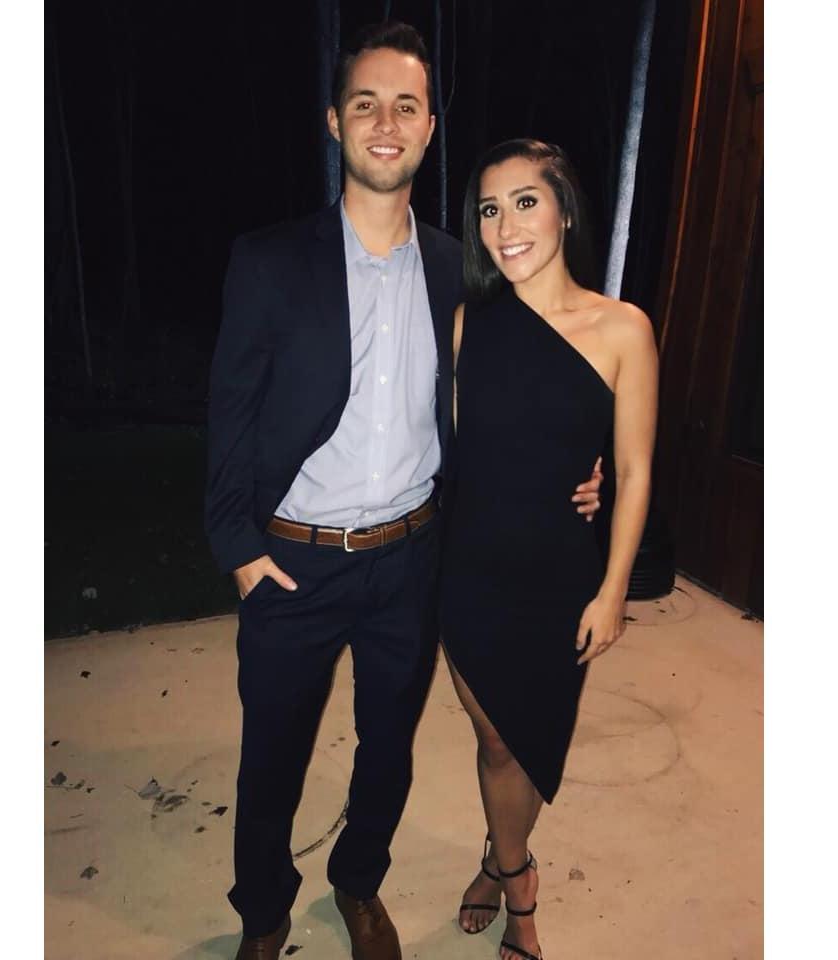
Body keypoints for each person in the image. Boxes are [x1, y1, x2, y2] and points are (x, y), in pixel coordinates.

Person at [206, 24, 603, 960]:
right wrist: (238, 549)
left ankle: (358, 883)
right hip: (293, 559)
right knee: (272, 755)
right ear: (334, 122)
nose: (386, 123)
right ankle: (263, 912)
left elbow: (535, 385)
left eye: (406, 106)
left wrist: (586, 473)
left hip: (414, 561)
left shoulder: (461, 270)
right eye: (366, 104)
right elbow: (228, 413)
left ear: (429, 129)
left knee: (388, 747)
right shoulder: (269, 261)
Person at [440, 139, 659, 960]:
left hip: (559, 573)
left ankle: (497, 860)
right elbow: (456, 453)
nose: (506, 227)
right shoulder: (469, 325)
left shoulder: (623, 329)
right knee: (495, 738)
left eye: (525, 202)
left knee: (530, 739)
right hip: (470, 568)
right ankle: (518, 881)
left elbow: (634, 470)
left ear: (564, 209)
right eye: (489, 210)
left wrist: (613, 589)